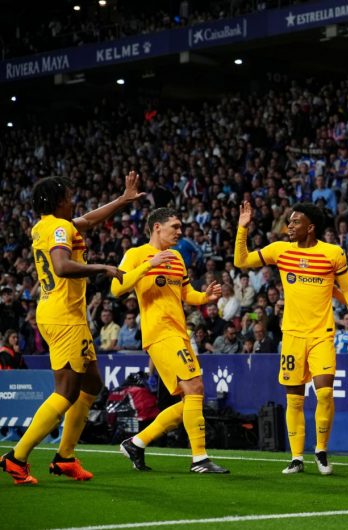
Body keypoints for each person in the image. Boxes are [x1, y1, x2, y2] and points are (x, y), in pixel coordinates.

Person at [2, 173, 137, 485]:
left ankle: (65, 457)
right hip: (64, 316)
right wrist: (101, 267)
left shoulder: (45, 226)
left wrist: (122, 199)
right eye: (68, 196)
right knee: (66, 392)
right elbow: (62, 266)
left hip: (60, 312)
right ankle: (16, 458)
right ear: (58, 201)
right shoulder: (59, 228)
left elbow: (88, 220)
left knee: (91, 384)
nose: (73, 200)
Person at [234, 201, 348, 475]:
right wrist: (242, 229)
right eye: (289, 222)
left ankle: (321, 450)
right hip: (293, 336)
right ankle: (296, 457)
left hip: (321, 334)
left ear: (311, 227)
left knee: (325, 393)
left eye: (295, 222)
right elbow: (241, 261)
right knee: (294, 399)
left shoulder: (332, 253)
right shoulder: (280, 250)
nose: (290, 226)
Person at [112, 207, 229, 474]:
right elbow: (117, 288)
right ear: (157, 227)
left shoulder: (176, 257)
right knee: (195, 386)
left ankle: (136, 443)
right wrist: (148, 266)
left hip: (179, 332)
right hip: (159, 332)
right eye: (175, 227)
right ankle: (200, 459)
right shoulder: (136, 254)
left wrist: (205, 297)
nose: (179, 231)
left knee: (191, 397)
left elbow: (186, 293)